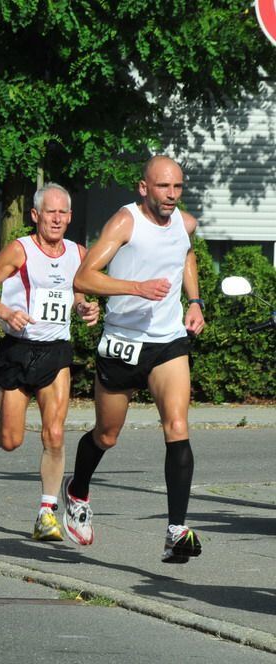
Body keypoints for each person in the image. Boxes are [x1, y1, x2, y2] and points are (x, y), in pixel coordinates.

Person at [63, 155, 206, 564]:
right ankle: (77, 490)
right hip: (123, 341)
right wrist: (135, 288)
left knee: (177, 426)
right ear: (144, 188)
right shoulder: (125, 222)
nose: (171, 196)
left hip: (167, 341)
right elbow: (85, 277)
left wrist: (193, 301)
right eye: (163, 187)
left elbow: (185, 255)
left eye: (177, 187)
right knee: (107, 435)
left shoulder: (184, 222)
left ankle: (175, 531)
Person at [0, 183, 99, 542]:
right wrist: (5, 311)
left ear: (70, 217)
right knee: (9, 440)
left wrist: (87, 308)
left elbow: (81, 294)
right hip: (18, 350)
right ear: (35, 216)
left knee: (54, 433)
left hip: (56, 352)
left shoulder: (78, 253)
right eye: (49, 212)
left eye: (62, 213)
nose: (56, 219)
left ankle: (46, 512)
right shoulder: (19, 250)